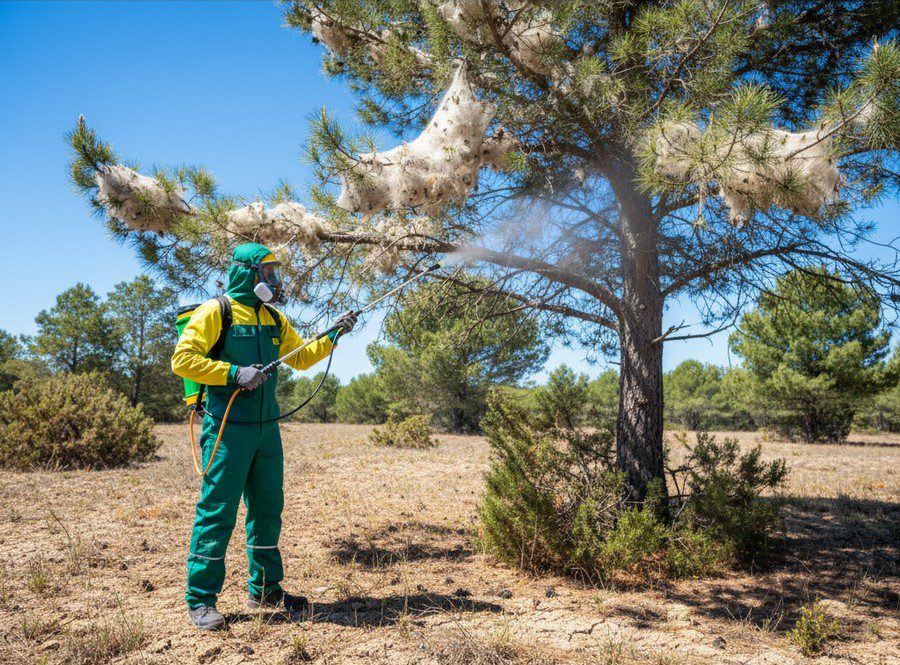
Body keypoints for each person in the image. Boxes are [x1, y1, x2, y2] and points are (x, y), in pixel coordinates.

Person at [171, 242, 357, 630]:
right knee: (217, 512)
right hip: (226, 432)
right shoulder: (215, 311)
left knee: (268, 510)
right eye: (269, 272)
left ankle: (266, 589)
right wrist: (234, 373)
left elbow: (302, 356)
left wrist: (333, 333)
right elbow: (182, 359)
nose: (275, 279)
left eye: (276, 273)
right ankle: (201, 600)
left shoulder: (274, 318)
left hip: (266, 430)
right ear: (249, 273)